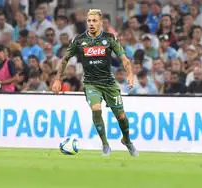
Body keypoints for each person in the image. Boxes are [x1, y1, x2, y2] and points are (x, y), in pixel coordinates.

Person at [52, 9, 139, 157]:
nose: (91, 24)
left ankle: (127, 140)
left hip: (109, 83)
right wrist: (57, 79)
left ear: (100, 22)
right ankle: (105, 145)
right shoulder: (79, 40)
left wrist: (130, 74)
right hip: (91, 83)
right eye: (89, 21)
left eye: (94, 21)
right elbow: (65, 59)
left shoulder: (110, 38)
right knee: (96, 108)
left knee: (122, 117)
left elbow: (124, 58)